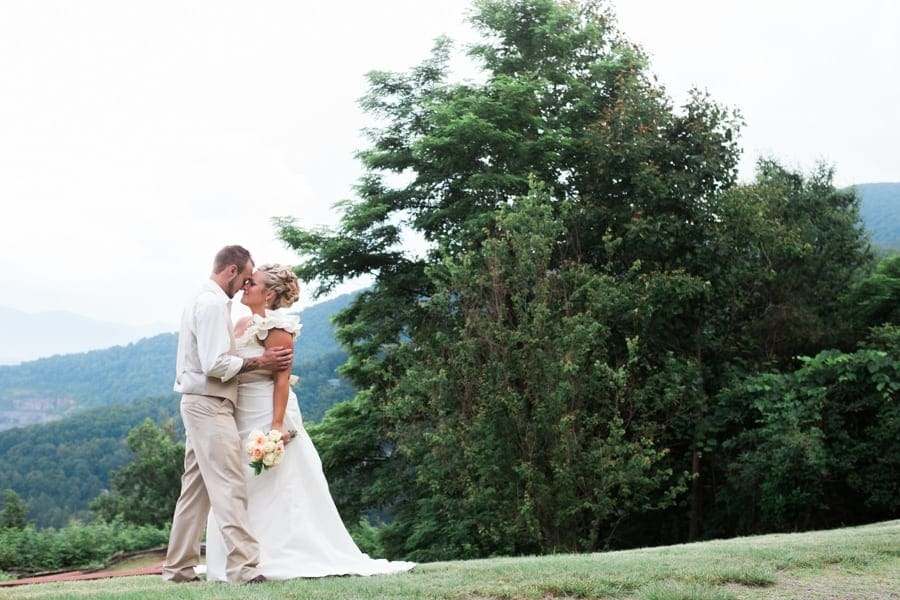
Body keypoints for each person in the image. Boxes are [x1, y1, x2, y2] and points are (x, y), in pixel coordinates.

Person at [204, 264, 416, 580]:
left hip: (266, 410)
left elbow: (281, 380)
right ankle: (236, 557)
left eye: (253, 283)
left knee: (271, 481)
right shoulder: (241, 322)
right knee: (237, 481)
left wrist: (276, 426)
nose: (245, 286)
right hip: (240, 410)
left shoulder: (279, 328)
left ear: (270, 293)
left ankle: (275, 554)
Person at [163, 245, 294, 585]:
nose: (244, 287)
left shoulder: (207, 300)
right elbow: (214, 364)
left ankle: (178, 570)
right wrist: (261, 362)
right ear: (232, 271)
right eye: (245, 278)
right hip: (209, 404)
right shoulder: (209, 304)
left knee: (195, 490)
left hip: (201, 402)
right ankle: (245, 570)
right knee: (228, 485)